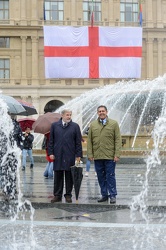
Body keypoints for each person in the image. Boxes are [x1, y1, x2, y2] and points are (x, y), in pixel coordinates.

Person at [87, 105, 121, 204]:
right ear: (97, 113)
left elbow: (118, 140)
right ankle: (104, 195)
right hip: (97, 155)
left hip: (110, 155)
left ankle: (113, 195)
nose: (101, 113)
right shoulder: (93, 125)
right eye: (99, 111)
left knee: (110, 176)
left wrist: (117, 154)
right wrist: (90, 154)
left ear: (106, 112)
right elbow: (89, 141)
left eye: (103, 111)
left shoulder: (114, 124)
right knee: (100, 176)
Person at [48, 109, 82, 203]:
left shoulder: (75, 126)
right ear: (62, 115)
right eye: (67, 115)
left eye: (70, 115)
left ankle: (68, 195)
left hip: (70, 154)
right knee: (58, 176)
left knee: (69, 176)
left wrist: (78, 155)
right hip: (58, 154)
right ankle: (57, 195)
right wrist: (50, 153)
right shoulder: (55, 126)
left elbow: (78, 142)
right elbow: (51, 141)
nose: (69, 116)